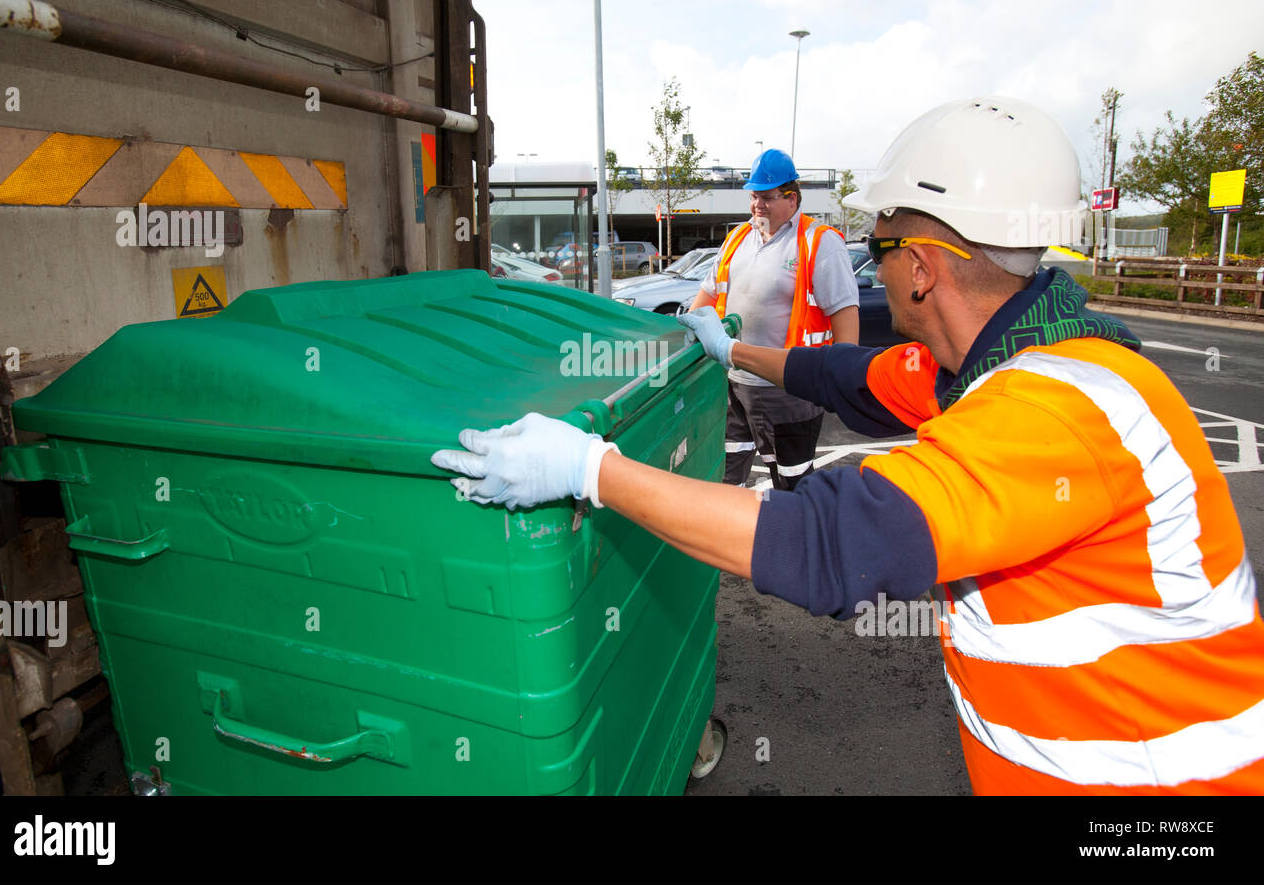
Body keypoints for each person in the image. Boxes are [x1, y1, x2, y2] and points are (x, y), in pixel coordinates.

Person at [432, 96, 1264, 794]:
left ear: (923, 269)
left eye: (883, 241)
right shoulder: (1001, 359)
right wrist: (737, 353)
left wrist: (590, 470)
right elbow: (852, 378)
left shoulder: (1053, 411)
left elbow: (829, 545)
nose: (873, 255)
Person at [688, 149, 859, 490]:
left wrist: (841, 378)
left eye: (766, 198)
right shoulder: (738, 239)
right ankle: (731, 538)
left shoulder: (818, 242)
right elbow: (708, 294)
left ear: (791, 198)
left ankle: (790, 540)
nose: (757, 206)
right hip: (734, 383)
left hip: (788, 389)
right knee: (727, 474)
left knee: (791, 482)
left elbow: (845, 312)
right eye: (753, 197)